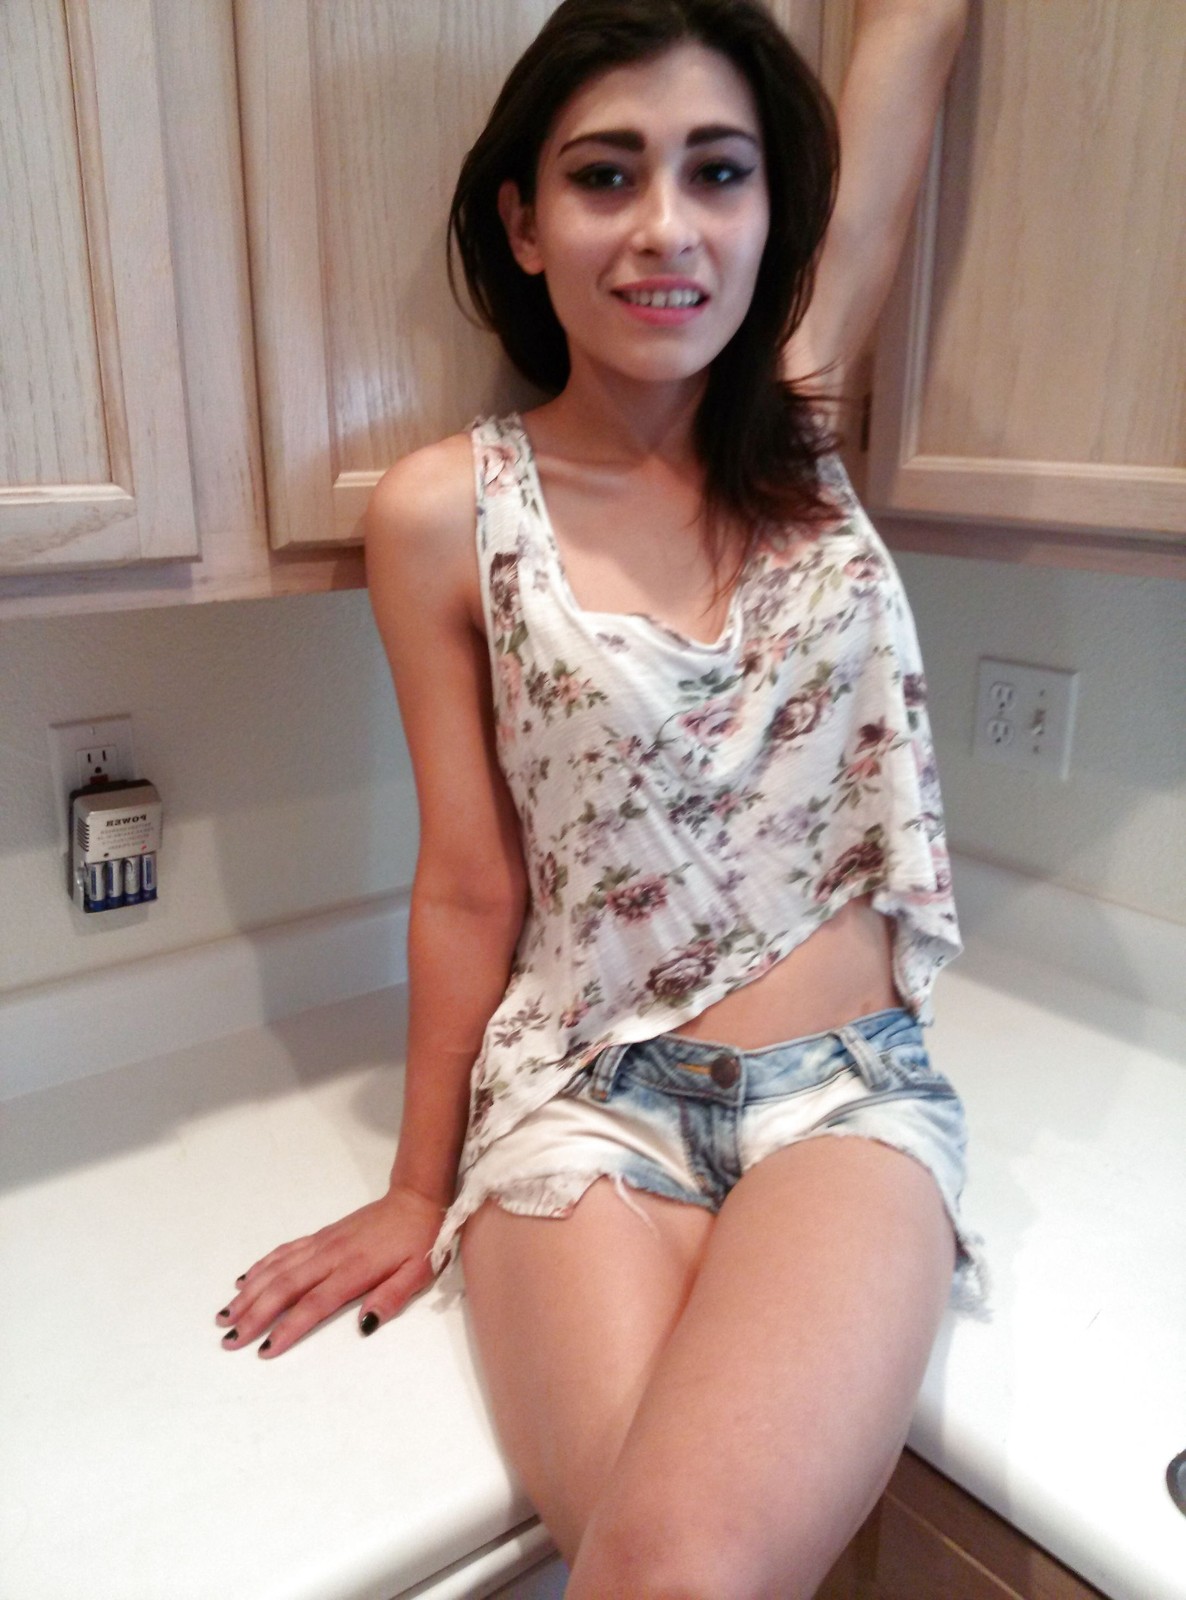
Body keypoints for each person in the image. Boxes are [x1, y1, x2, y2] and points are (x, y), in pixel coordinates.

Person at [217, 1, 984, 1592]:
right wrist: (415, 1187)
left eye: (718, 171)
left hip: (842, 1099)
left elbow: (907, 53)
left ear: (770, 212)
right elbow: (468, 881)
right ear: (523, 221)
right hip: (578, 1096)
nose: (665, 227)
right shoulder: (444, 513)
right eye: (604, 174)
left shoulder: (801, 424)